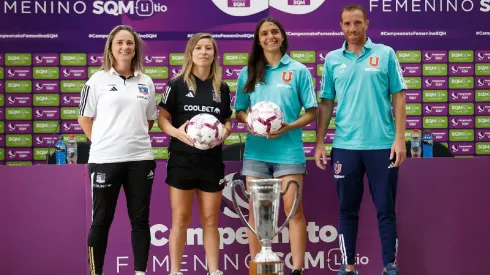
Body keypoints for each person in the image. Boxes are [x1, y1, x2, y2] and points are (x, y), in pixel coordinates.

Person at [314, 4, 407, 275]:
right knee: (347, 211)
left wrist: (399, 139)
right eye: (346, 24)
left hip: (382, 146)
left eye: (357, 23)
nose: (352, 29)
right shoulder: (332, 59)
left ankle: (389, 266)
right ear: (340, 26)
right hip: (345, 147)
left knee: (386, 211)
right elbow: (326, 103)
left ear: (366, 23)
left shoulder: (385, 53)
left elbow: (399, 97)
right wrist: (320, 142)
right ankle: (348, 266)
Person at [234, 17, 318, 275]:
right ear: (258, 41)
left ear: (282, 36)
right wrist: (249, 121)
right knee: (255, 215)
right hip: (256, 154)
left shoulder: (299, 70)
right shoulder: (248, 73)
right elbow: (239, 110)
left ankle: (298, 270)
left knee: (294, 212)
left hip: (289, 153)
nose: (270, 37)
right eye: (264, 34)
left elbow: (312, 111)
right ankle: (257, 267)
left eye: (274, 32)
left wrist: (288, 126)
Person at [78, 25, 157, 275]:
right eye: (120, 43)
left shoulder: (146, 81)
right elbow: (84, 118)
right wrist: (101, 141)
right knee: (101, 221)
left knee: (140, 221)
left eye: (130, 43)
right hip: (105, 160)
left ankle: (140, 272)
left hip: (140, 159)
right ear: (110, 49)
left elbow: (150, 119)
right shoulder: (97, 80)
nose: (125, 47)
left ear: (135, 49)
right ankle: (95, 272)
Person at [157, 32, 232, 275]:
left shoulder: (221, 87)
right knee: (180, 218)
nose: (203, 52)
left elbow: (228, 121)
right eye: (198, 48)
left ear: (214, 54)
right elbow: (162, 119)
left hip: (211, 162)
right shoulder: (176, 84)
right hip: (182, 161)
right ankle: (175, 271)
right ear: (191, 53)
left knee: (210, 220)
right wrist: (178, 134)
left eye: (208, 48)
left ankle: (214, 271)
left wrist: (224, 132)